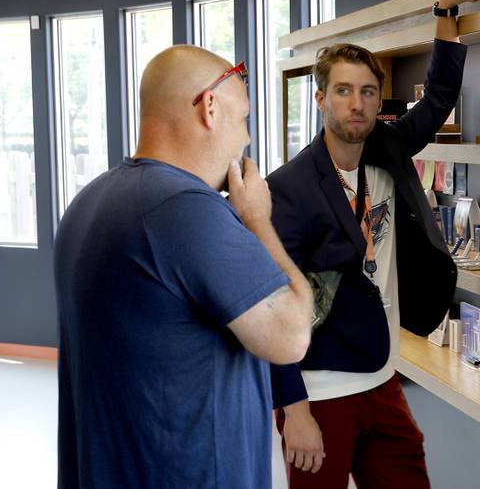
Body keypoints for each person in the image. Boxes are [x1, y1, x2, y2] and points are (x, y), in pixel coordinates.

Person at [54, 45, 313, 489]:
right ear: (210, 108)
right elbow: (290, 335)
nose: (246, 139)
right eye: (244, 118)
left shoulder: (90, 201)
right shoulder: (184, 209)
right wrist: (257, 221)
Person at [266, 0, 480, 488]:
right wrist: (293, 410)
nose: (357, 103)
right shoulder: (289, 190)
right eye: (343, 91)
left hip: (382, 375)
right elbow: (272, 308)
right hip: (320, 388)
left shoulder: (386, 147)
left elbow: (437, 99)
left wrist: (446, 12)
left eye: (367, 91)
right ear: (321, 99)